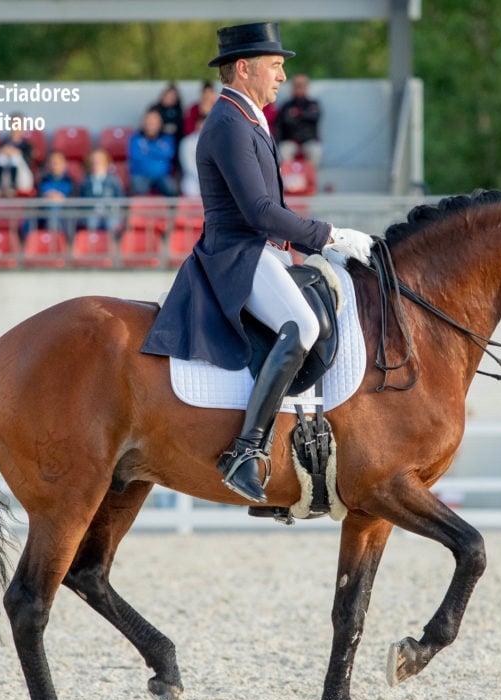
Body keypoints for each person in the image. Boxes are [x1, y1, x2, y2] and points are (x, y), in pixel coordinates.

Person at [140, 21, 374, 503]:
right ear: (243, 68)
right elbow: (260, 211)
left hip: (262, 249)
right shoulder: (227, 123)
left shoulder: (247, 118)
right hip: (237, 254)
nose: (283, 77)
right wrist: (328, 234)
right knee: (303, 326)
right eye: (275, 66)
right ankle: (245, 451)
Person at [127, 109, 178, 197]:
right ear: (143, 123)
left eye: (154, 122)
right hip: (141, 175)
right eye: (149, 122)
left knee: (172, 188)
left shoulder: (167, 138)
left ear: (160, 124)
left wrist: (147, 150)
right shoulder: (135, 138)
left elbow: (169, 154)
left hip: (162, 176)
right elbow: (136, 156)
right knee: (139, 189)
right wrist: (158, 152)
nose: (151, 125)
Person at [276, 74, 323, 167]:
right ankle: (288, 179)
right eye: (297, 85)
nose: (299, 88)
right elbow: (285, 121)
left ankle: (310, 179)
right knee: (284, 151)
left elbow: (314, 117)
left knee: (316, 151)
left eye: (302, 85)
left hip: (309, 140)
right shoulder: (286, 105)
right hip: (290, 141)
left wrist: (298, 114)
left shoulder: (313, 104)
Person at [78, 147, 125, 232]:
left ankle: (110, 243)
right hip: (92, 212)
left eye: (99, 161)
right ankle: (94, 242)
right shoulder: (85, 181)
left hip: (109, 211)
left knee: (111, 222)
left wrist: (113, 207)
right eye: (94, 162)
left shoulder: (113, 180)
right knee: (91, 222)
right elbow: (82, 198)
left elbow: (119, 196)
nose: (96, 164)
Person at [34, 151, 77, 237]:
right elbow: (37, 198)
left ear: (64, 164)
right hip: (45, 215)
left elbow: (74, 199)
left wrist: (62, 198)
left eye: (57, 162)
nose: (55, 165)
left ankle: (60, 241)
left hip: (65, 216)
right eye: (52, 162)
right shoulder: (42, 181)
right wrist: (46, 197)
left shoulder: (71, 181)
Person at [0, 121, 34, 197]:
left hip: (23, 180)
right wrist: (3, 151)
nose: (15, 130)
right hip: (5, 179)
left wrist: (15, 152)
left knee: (14, 157)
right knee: (1, 156)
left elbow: (29, 161)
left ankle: (13, 186)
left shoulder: (27, 145)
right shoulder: (2, 144)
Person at [151, 83, 185, 154]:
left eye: (173, 95)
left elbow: (181, 127)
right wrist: (163, 128)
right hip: (157, 140)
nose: (171, 98)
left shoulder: (178, 111)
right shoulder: (155, 109)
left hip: (175, 142)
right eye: (169, 95)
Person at [179, 113, 204, 197]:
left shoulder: (217, 142)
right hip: (192, 181)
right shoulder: (187, 142)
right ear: (197, 124)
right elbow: (188, 165)